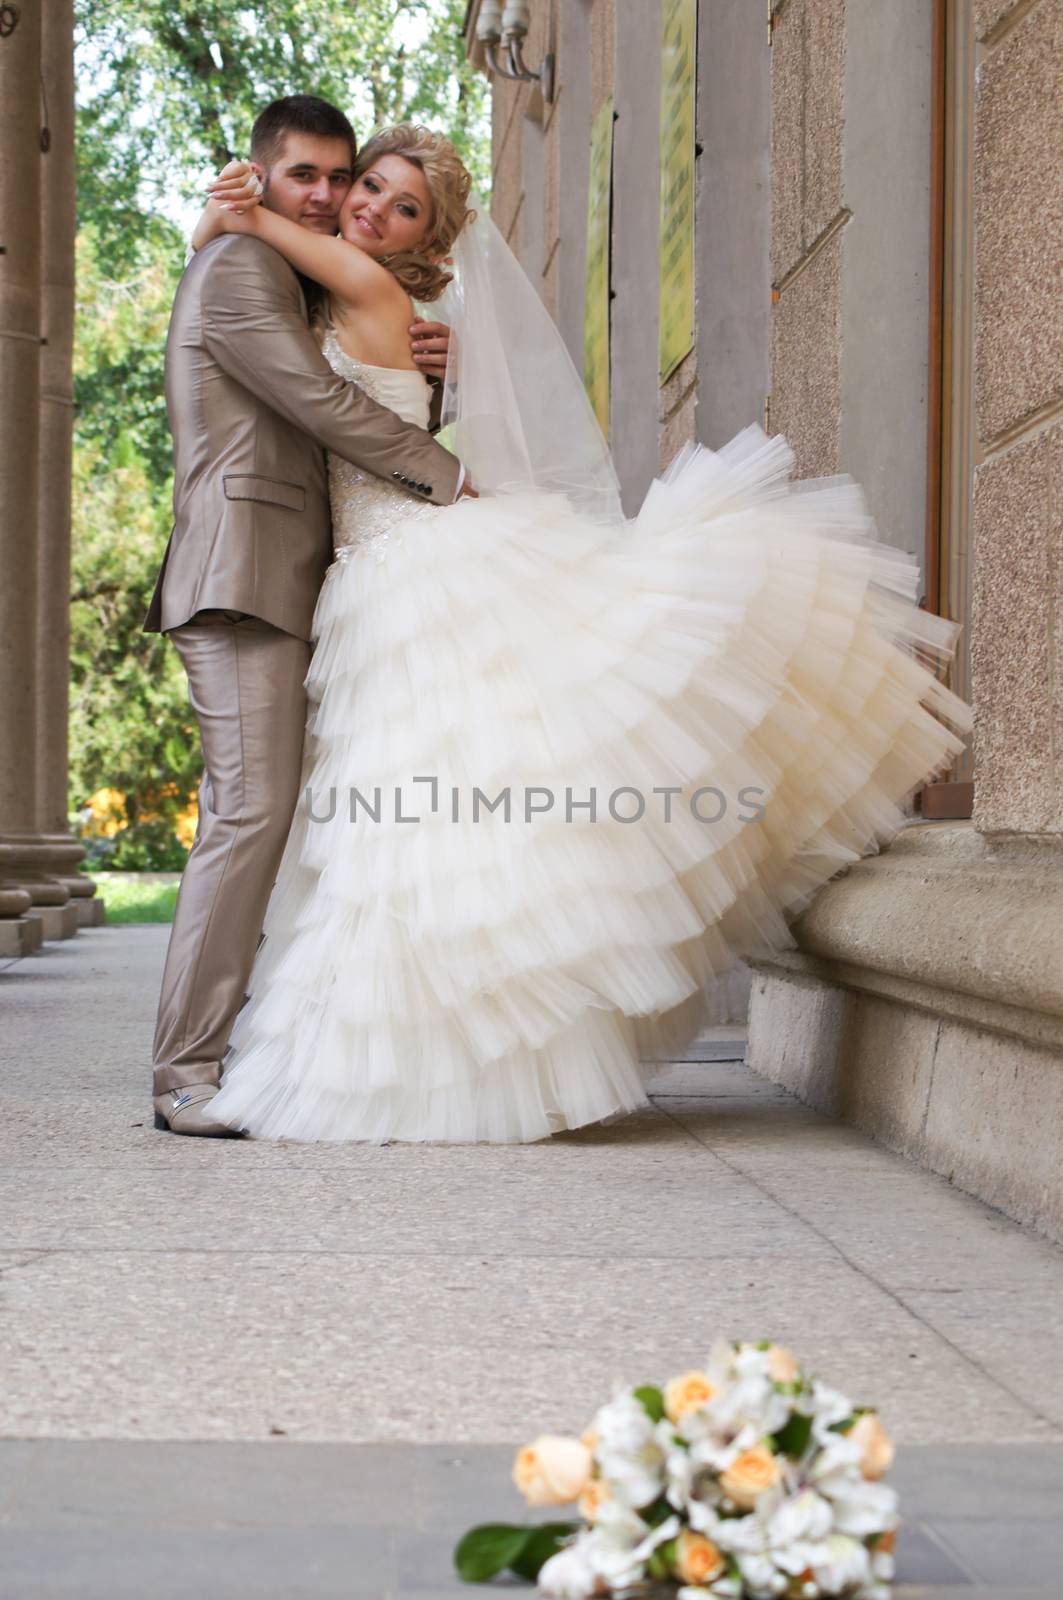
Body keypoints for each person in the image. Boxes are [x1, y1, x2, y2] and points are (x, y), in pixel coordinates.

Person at [192, 124, 971, 1145]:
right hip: (381, 570)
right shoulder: (356, 299)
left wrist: (223, 208)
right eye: (366, 187)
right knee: (420, 817)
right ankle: (450, 1049)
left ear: (428, 239)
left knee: (420, 813)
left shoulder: (370, 291)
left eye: (400, 205)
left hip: (410, 566)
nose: (370, 208)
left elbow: (254, 224)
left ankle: (436, 1058)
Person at [145, 97, 473, 1137]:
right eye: (308, 178)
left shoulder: (283, 270)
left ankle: (224, 1051)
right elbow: (312, 398)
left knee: (270, 816)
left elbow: (346, 358)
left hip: (288, 574)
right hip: (242, 572)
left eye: (345, 177)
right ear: (260, 177)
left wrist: (438, 365)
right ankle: (184, 1073)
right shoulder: (242, 270)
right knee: (248, 814)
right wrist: (445, 472)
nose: (331, 197)